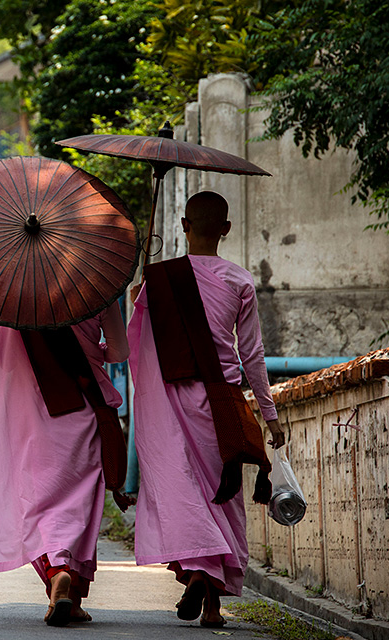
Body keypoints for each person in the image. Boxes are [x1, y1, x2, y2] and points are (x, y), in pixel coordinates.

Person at [128, 191, 285, 628]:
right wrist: (269, 417)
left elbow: (138, 349)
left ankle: (199, 570)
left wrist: (144, 293)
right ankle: (213, 604)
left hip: (170, 404)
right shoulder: (238, 281)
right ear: (226, 229)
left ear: (183, 224)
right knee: (223, 495)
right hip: (221, 402)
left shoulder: (158, 279)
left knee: (184, 495)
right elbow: (251, 355)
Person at [0, 303, 130, 627]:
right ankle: (68, 585)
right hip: (84, 402)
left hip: (35, 411)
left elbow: (9, 364)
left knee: (41, 499)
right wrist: (92, 349)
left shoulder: (22, 292)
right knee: (79, 501)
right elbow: (119, 352)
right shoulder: (100, 288)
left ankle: (57, 574)